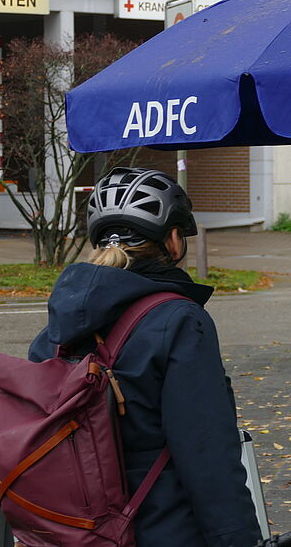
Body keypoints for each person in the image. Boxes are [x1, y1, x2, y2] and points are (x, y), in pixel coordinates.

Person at [28, 167, 263, 547]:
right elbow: (207, 452)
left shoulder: (57, 328)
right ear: (172, 240)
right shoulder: (179, 320)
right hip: (161, 526)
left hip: (71, 528)